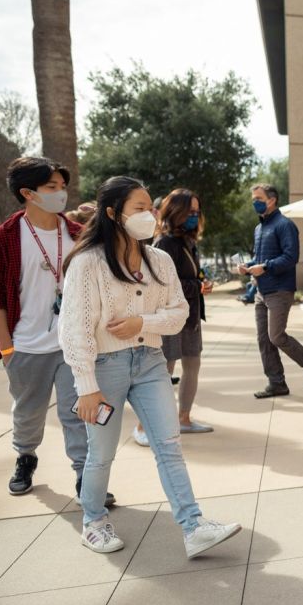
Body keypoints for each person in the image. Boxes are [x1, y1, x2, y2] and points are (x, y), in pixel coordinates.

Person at [59, 175, 240, 556]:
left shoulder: (158, 259)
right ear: (113, 213)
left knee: (169, 445)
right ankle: (93, 521)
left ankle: (193, 527)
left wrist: (142, 323)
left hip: (151, 362)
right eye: (140, 208)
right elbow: (74, 329)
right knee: (101, 454)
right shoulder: (87, 263)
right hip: (103, 368)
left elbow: (178, 313)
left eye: (150, 208)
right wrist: (86, 385)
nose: (150, 215)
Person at [0, 157, 113, 505]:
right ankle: (25, 457)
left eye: (62, 186)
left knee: (78, 412)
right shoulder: (1, 239)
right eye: (51, 187)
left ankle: (86, 477)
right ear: (28, 193)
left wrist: (100, 216)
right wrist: (7, 346)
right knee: (28, 411)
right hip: (24, 344)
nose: (61, 193)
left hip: (73, 345)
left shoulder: (77, 234)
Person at [133, 189, 214, 447]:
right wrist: (196, 286)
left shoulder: (188, 241)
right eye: (189, 211)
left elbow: (189, 276)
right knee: (162, 371)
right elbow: (164, 283)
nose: (194, 216)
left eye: (197, 211)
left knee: (192, 365)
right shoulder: (165, 242)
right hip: (168, 316)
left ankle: (184, 418)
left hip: (189, 316)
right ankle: (142, 425)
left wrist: (201, 283)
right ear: (175, 211)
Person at [236, 184, 303, 398]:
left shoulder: (285, 225)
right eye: (253, 198)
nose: (254, 202)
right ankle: (277, 383)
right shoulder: (259, 228)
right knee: (263, 340)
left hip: (279, 290)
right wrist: (247, 266)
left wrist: (265, 266)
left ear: (272, 200)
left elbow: (291, 257)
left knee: (276, 336)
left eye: (258, 198)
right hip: (261, 291)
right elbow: (259, 259)